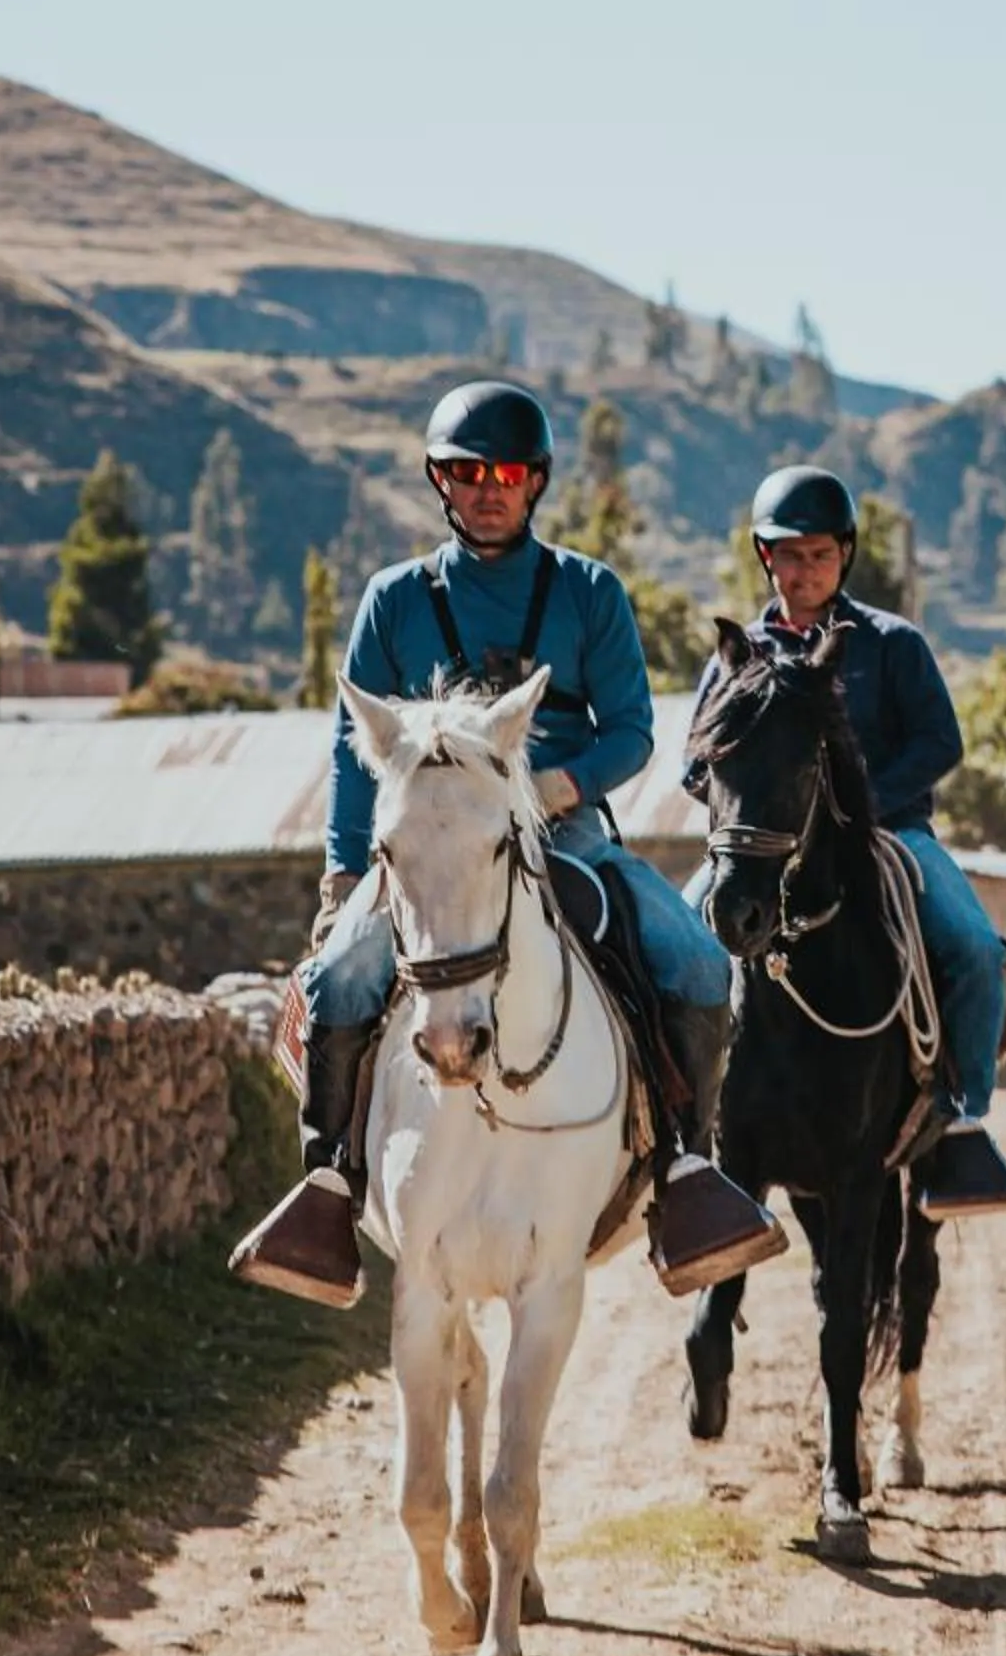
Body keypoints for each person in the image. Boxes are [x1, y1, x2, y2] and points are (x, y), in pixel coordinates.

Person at [234, 380, 785, 1306]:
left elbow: (633, 733)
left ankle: (687, 1176)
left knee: (694, 963)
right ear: (440, 482)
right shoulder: (392, 599)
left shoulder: (590, 592)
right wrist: (339, 872)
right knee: (337, 980)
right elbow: (350, 745)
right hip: (429, 848)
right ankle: (329, 1184)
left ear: (536, 482)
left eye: (505, 473)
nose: (486, 488)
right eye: (465, 472)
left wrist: (557, 785)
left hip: (565, 830)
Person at [686, 465, 1006, 1218]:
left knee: (973, 950)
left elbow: (940, 741)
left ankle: (964, 1119)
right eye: (789, 555)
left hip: (889, 833)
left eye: (819, 554)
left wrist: (864, 806)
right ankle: (680, 1139)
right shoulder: (738, 655)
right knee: (676, 952)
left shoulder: (893, 644)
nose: (804, 570)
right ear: (764, 557)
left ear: (845, 555)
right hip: (766, 848)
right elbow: (694, 761)